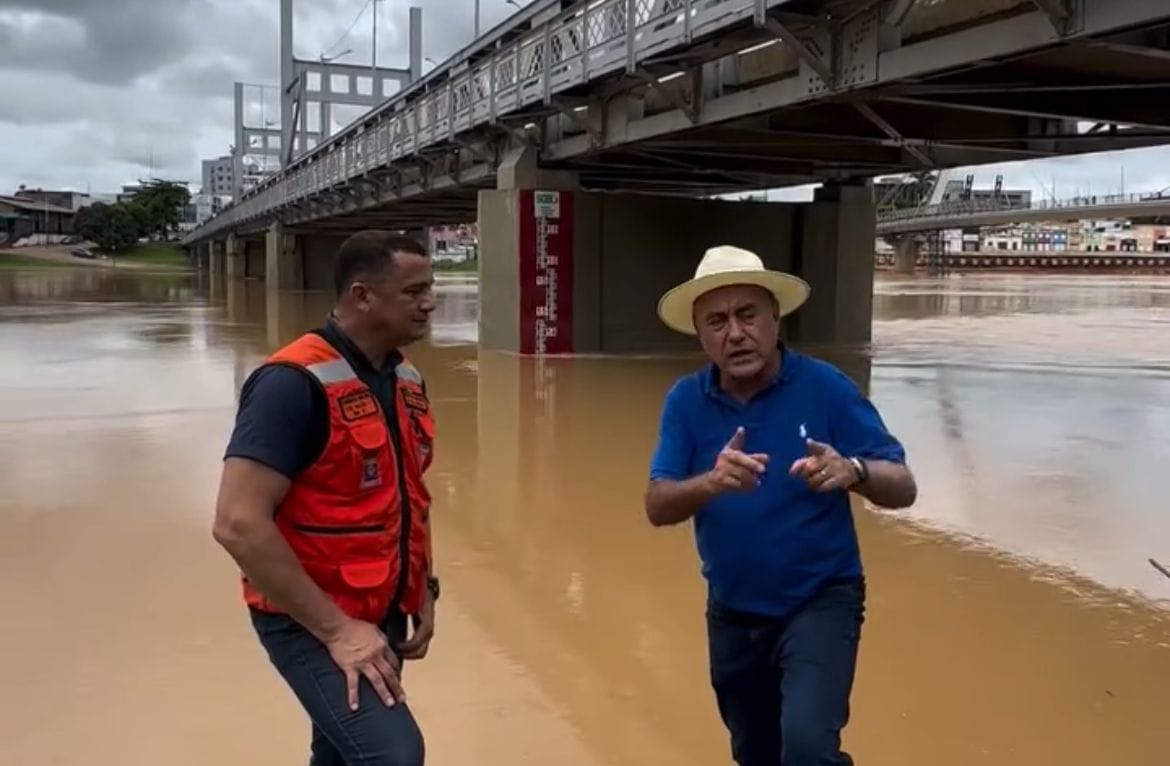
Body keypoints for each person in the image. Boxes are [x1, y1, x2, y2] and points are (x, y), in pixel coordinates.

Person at [643, 245, 917, 766]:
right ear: (701, 335)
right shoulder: (685, 401)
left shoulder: (828, 388)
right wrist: (713, 483)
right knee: (755, 753)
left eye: (748, 315)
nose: (735, 333)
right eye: (716, 321)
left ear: (775, 319)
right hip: (731, 612)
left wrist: (853, 472)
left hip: (820, 600)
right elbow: (657, 505)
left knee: (808, 750)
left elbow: (902, 485)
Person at [213, 231, 440, 766]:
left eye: (430, 289)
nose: (431, 302)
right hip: (307, 616)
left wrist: (424, 588)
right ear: (362, 296)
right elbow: (237, 523)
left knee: (340, 754)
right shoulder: (290, 384)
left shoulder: (404, 376)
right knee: (393, 755)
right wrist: (337, 630)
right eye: (414, 291)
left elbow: (409, 497)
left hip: (379, 610)